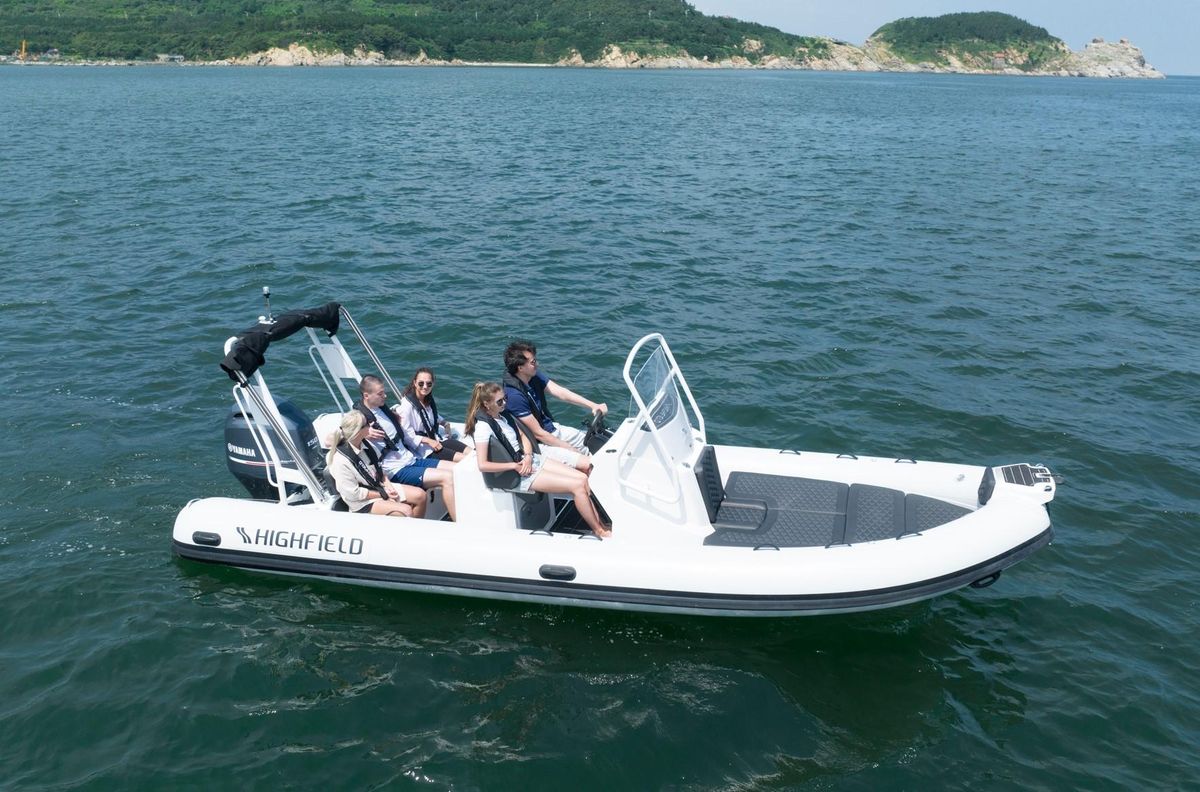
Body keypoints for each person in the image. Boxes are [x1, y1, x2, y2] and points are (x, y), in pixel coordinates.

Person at [465, 381, 611, 539]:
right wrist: (514, 466)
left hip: (529, 459)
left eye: (505, 398)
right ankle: (599, 530)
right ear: (487, 404)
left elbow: (523, 436)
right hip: (519, 472)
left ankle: (601, 525)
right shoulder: (483, 428)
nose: (505, 403)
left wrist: (528, 456)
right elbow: (483, 465)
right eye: (500, 402)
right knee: (577, 486)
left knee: (582, 478)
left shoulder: (503, 416)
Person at [356, 375, 458, 521]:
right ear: (366, 395)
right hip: (396, 469)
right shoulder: (359, 418)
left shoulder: (382, 409)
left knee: (457, 469)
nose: (385, 396)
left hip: (411, 459)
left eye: (384, 392)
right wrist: (363, 432)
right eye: (380, 394)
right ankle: (458, 524)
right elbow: (331, 440)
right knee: (447, 478)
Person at [502, 339, 607, 473]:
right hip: (540, 445)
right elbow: (539, 434)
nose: (537, 364)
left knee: (596, 443)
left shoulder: (533, 376)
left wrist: (593, 405)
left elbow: (561, 392)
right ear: (520, 368)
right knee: (587, 463)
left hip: (552, 429)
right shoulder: (514, 396)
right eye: (533, 362)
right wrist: (569, 448)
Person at [324, 411, 422, 518]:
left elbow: (380, 471)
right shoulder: (339, 460)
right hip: (362, 501)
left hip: (379, 487)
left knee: (420, 496)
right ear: (358, 431)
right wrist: (383, 494)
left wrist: (389, 487)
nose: (370, 425)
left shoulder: (367, 445)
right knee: (406, 511)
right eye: (367, 424)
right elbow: (353, 494)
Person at [397, 367, 469, 463]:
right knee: (467, 459)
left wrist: (444, 423)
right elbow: (407, 437)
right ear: (415, 383)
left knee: (472, 453)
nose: (425, 387)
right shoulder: (406, 406)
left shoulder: (426, 399)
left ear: (433, 384)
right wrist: (428, 441)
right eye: (421, 383)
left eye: (429, 384)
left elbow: (429, 416)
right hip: (425, 449)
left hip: (437, 439)